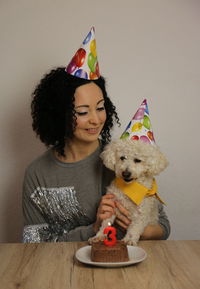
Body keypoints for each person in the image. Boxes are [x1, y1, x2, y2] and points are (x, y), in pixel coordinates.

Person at [22, 28, 170, 243]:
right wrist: (93, 228)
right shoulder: (37, 173)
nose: (96, 119)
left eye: (100, 108)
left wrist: (136, 229)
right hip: (57, 271)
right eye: (83, 112)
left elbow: (163, 227)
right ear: (58, 115)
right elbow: (31, 242)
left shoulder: (124, 160)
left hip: (122, 266)